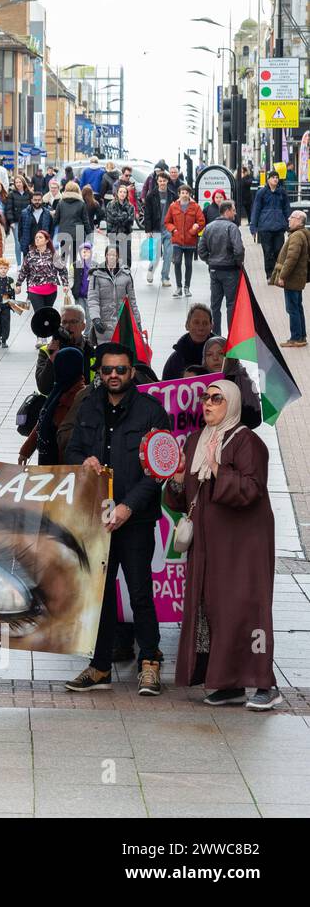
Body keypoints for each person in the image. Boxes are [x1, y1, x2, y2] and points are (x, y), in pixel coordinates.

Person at [163, 380, 280, 710]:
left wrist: (216, 469)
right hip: (207, 545)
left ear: (231, 404)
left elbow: (252, 490)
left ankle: (264, 683)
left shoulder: (248, 442)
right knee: (212, 610)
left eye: (217, 398)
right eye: (205, 397)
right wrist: (176, 479)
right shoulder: (196, 440)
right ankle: (227, 684)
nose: (208, 403)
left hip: (243, 546)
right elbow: (181, 497)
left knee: (246, 610)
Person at [65, 343, 172, 696]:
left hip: (135, 520)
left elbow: (159, 470)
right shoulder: (89, 405)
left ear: (132, 373)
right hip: (97, 519)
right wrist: (84, 461)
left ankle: (150, 664)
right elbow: (73, 448)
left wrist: (128, 507)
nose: (113, 375)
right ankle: (99, 667)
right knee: (100, 593)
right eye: (107, 370)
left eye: (121, 370)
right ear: (100, 372)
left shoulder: (151, 412)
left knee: (141, 592)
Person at [19, 346, 86, 466]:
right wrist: (26, 450)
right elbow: (42, 421)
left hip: (64, 465)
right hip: (48, 458)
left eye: (58, 366)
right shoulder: (58, 390)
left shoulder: (80, 396)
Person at [198, 199, 246, 339]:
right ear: (227, 211)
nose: (236, 213)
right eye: (234, 210)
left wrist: (210, 261)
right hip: (230, 270)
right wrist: (237, 263)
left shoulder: (209, 227)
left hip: (214, 270)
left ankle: (215, 335)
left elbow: (201, 250)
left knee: (215, 304)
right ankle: (232, 334)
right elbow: (238, 249)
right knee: (231, 303)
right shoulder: (232, 227)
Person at [36, 305, 96, 393]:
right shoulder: (46, 351)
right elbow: (44, 389)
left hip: (85, 403)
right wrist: (52, 357)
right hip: (56, 405)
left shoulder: (91, 350)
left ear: (83, 326)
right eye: (64, 322)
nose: (68, 326)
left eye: (73, 322)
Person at [273, 208, 310, 348]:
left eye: (292, 217)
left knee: (292, 308)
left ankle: (296, 338)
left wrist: (282, 276)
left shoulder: (296, 236)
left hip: (292, 279)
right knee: (297, 307)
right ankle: (301, 336)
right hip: (298, 278)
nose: (289, 219)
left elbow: (291, 258)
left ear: (299, 221)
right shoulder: (302, 234)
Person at [87, 244, 140, 341]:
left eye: (114, 255)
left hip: (122, 324)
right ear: (105, 256)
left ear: (118, 257)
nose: (111, 257)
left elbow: (132, 302)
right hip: (103, 325)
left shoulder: (126, 275)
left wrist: (138, 322)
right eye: (109, 255)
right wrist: (96, 319)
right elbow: (93, 299)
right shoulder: (96, 275)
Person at [17, 229, 68, 319]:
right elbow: (24, 270)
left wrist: (65, 284)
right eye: (36, 237)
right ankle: (40, 333)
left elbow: (62, 270)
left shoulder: (53, 254)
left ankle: (46, 333)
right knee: (40, 316)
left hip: (51, 291)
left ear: (46, 240)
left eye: (40, 237)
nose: (37, 239)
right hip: (34, 290)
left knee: (48, 316)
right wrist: (18, 284)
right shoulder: (30, 254)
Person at [164, 185, 205, 298]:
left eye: (187, 193)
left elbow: (201, 222)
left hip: (190, 241)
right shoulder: (173, 207)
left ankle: (187, 287)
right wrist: (174, 229)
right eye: (182, 192)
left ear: (189, 194)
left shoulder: (195, 207)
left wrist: (193, 230)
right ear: (179, 194)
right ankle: (178, 287)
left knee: (188, 264)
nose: (184, 195)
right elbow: (167, 221)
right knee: (177, 262)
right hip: (177, 240)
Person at [250, 171, 291, 282]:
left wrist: (289, 226)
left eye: (277, 177)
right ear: (268, 179)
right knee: (268, 252)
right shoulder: (261, 193)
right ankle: (269, 275)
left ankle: (277, 275)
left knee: (279, 251)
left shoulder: (282, 193)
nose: (275, 179)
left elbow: (287, 209)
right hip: (265, 228)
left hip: (279, 227)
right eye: (273, 177)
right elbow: (256, 209)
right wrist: (253, 227)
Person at [162, 304, 218, 382]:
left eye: (205, 323)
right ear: (187, 325)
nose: (201, 328)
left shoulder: (224, 355)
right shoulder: (176, 360)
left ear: (211, 326)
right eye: (196, 322)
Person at [141, 171, 177, 286]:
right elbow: (147, 214)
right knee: (155, 255)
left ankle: (165, 278)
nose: (162, 183)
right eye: (160, 181)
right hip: (156, 229)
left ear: (167, 181)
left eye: (164, 181)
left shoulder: (172, 195)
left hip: (169, 229)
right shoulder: (151, 195)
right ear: (157, 181)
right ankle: (151, 270)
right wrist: (148, 230)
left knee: (168, 254)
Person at [53, 181, 92, 270]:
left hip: (64, 231)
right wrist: (89, 233)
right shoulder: (81, 203)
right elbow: (85, 221)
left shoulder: (61, 203)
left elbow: (55, 219)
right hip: (78, 232)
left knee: (63, 254)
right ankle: (73, 272)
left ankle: (63, 274)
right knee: (74, 255)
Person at [103, 183, 137, 270]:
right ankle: (114, 271)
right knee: (114, 255)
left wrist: (119, 218)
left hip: (126, 233)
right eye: (121, 192)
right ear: (117, 193)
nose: (122, 194)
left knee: (126, 256)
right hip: (114, 234)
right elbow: (111, 219)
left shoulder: (130, 206)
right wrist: (124, 216)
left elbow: (130, 221)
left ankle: (126, 271)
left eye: (124, 192)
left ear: (126, 194)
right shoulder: (110, 205)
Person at [5, 175, 32, 264]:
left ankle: (26, 262)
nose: (18, 184)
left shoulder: (29, 194)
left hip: (27, 221)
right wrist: (11, 221)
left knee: (27, 241)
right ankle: (19, 263)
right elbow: (9, 209)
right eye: (16, 182)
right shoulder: (11, 194)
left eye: (20, 182)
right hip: (16, 222)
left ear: (23, 182)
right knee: (18, 242)